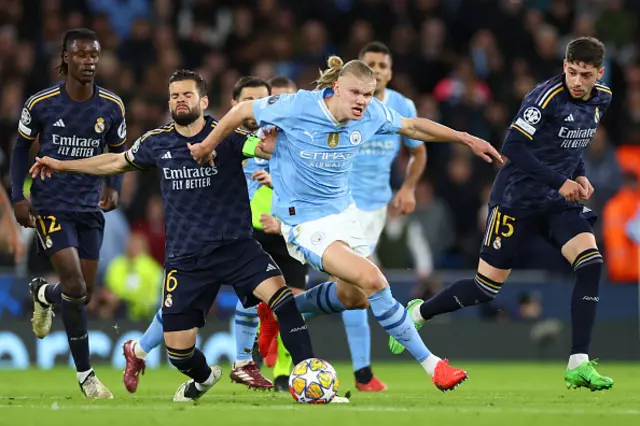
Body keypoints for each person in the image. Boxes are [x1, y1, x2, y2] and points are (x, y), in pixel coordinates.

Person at [188, 56, 502, 391]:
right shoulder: (297, 107)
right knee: (374, 279)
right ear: (336, 87)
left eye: (367, 95)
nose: (361, 101)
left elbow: (412, 126)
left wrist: (465, 138)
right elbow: (240, 112)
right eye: (355, 93)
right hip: (303, 221)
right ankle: (433, 365)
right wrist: (208, 145)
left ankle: (280, 310)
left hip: (343, 213)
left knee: (355, 298)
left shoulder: (371, 114)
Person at [29, 69, 324, 403]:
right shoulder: (157, 142)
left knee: (282, 299)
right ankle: (203, 377)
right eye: (174, 96)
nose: (180, 100)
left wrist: (289, 142)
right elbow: (114, 161)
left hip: (237, 247)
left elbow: (266, 150)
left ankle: (306, 375)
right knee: (179, 352)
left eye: (187, 94)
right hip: (187, 259)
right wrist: (63, 164)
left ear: (204, 101)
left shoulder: (227, 135)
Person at [387, 37, 614, 392]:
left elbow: (571, 142)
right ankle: (418, 313)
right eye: (571, 72)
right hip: (516, 201)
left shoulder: (603, 97)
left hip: (556, 202)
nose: (577, 81)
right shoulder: (544, 97)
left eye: (585, 75)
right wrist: (559, 180)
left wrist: (579, 173)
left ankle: (578, 363)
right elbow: (512, 148)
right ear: (564, 66)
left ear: (599, 73)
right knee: (485, 288)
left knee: (591, 262)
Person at [120, 76, 277, 393]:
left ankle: (243, 361)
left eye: (263, 102)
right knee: (180, 313)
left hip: (257, 229)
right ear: (234, 105)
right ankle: (141, 350)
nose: (255, 109)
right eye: (249, 101)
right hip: (211, 236)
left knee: (262, 292)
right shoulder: (227, 136)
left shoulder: (268, 139)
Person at [10, 28, 126, 399]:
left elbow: (120, 154)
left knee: (83, 293)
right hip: (50, 205)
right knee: (76, 286)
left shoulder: (112, 106)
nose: (88, 61)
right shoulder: (41, 103)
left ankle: (44, 294)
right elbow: (18, 152)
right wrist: (18, 197)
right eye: (80, 55)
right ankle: (86, 376)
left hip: (89, 208)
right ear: (65, 58)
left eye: (93, 55)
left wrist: (115, 187)